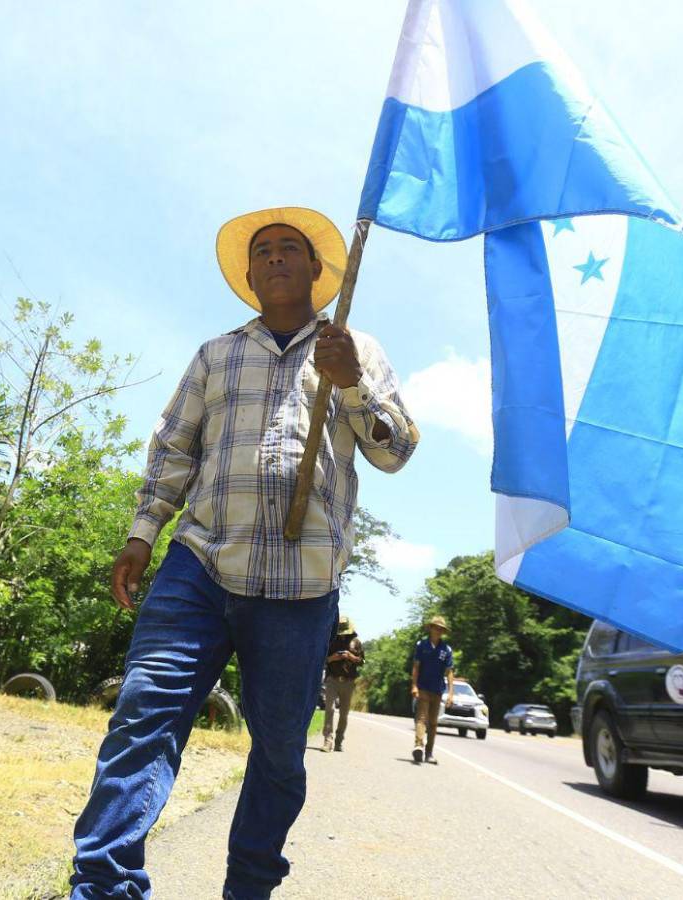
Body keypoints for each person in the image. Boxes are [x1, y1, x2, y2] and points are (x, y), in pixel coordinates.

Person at [67, 206, 419, 900]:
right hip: (198, 568)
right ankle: (104, 887)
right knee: (145, 715)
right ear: (252, 275)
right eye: (265, 251)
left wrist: (351, 382)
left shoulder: (354, 349)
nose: (278, 257)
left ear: (318, 272)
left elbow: (396, 450)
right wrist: (143, 533)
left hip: (303, 586)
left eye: (293, 248)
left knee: (281, 754)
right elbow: (173, 449)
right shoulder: (217, 353)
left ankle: (249, 888)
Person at [410, 615, 454, 765]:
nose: (438, 630)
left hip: (438, 689)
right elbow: (416, 666)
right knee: (422, 718)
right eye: (436, 627)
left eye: (441, 629)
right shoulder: (421, 645)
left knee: (433, 723)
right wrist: (414, 685)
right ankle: (418, 745)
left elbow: (449, 672)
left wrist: (451, 693)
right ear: (431, 628)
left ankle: (429, 752)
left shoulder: (446, 649)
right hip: (423, 688)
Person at [321, 613, 364, 752]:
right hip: (332, 680)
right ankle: (328, 740)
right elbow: (323, 660)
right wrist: (333, 658)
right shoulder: (331, 639)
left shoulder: (356, 641)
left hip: (348, 682)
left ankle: (339, 740)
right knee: (330, 709)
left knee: (344, 714)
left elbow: (362, 661)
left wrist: (351, 657)